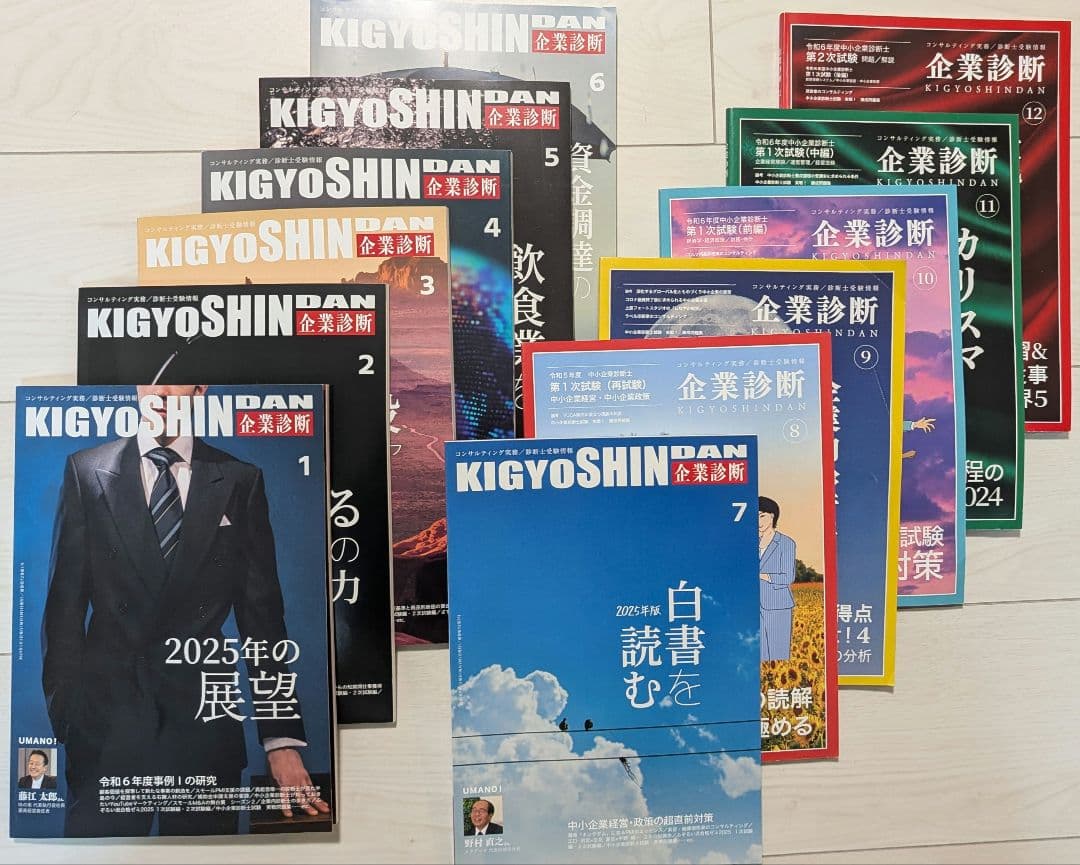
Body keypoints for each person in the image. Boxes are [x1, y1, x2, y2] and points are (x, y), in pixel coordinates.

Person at [41, 384, 329, 837]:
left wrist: (281, 740)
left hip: (204, 725)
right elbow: (63, 608)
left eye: (177, 380)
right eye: (151, 378)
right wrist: (68, 717)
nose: (161, 391)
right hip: (106, 728)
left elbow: (262, 620)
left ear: (199, 389)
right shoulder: (86, 470)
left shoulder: (239, 479)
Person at [758, 496, 796, 662]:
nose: (758, 521)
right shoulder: (748, 542)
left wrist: (762, 575)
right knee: (759, 654)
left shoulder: (786, 543)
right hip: (753, 604)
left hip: (777, 604)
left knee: (778, 654)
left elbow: (788, 576)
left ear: (772, 516)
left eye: (762, 516)